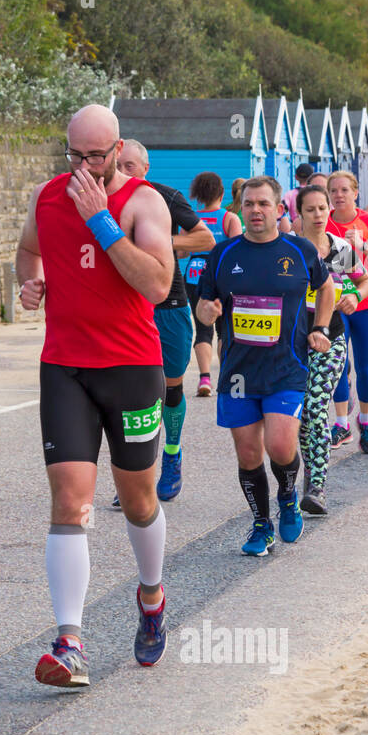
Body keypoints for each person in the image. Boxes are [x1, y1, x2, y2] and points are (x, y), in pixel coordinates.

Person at [17, 105, 175, 687]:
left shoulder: (142, 202)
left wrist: (101, 222)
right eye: (75, 156)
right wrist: (30, 282)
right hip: (65, 367)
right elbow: (28, 251)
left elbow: (158, 284)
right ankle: (69, 643)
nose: (85, 167)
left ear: (116, 151)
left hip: (132, 367)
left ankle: (153, 595)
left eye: (96, 157)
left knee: (137, 498)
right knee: (70, 499)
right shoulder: (46, 196)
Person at [197, 176, 334, 554]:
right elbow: (204, 306)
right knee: (248, 453)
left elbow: (326, 287)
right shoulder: (223, 254)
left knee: (279, 444)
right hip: (238, 372)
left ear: (278, 209)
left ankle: (288, 496)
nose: (255, 210)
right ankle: (261, 524)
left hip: (286, 368)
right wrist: (207, 311)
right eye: (249, 204)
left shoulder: (300, 250)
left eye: (263, 204)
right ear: (240, 209)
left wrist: (320, 326)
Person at [113, 140, 214, 502]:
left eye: (130, 166)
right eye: (118, 164)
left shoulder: (164, 197)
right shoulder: (104, 197)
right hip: (124, 305)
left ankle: (171, 454)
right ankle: (135, 473)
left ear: (145, 168)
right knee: (132, 390)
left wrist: (158, 238)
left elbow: (204, 238)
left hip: (168, 305)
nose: (122, 171)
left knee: (170, 388)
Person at [294, 184, 365, 515]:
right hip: (293, 342)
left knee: (316, 407)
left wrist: (355, 296)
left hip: (331, 339)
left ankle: (317, 485)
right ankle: (310, 469)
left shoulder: (340, 249)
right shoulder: (290, 250)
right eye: (311, 210)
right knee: (302, 416)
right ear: (300, 214)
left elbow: (362, 281)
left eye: (323, 208)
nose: (319, 215)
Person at [325, 170, 368, 454]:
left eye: (344, 190)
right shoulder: (322, 222)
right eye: (334, 191)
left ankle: (365, 419)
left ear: (355, 193)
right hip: (335, 304)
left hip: (365, 302)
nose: (339, 195)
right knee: (337, 364)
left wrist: (362, 245)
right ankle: (341, 424)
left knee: (364, 366)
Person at [188, 172, 242, 398]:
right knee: (224, 328)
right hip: (221, 274)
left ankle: (204, 378)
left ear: (198, 195)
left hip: (193, 273)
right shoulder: (229, 218)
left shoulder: (191, 218)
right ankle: (224, 377)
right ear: (222, 193)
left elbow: (182, 250)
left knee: (202, 328)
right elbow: (238, 251)